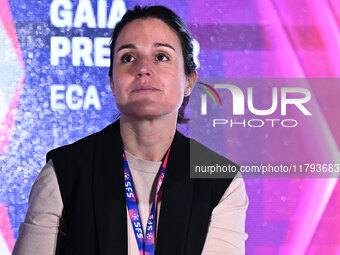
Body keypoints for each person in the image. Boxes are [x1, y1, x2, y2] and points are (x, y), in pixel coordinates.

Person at [13, 5, 248, 255]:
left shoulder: (219, 179)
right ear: (113, 82)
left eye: (161, 57)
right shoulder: (64, 171)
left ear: (189, 80)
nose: (143, 69)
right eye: (128, 58)